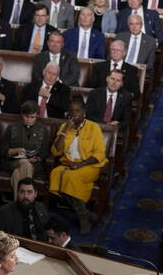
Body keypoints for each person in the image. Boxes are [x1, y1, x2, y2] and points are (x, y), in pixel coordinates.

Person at [49, 98, 108, 235]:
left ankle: (83, 219)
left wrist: (81, 164)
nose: (75, 114)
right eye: (72, 111)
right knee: (56, 174)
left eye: (78, 111)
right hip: (69, 163)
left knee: (70, 177)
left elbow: (100, 153)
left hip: (90, 166)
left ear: (84, 112)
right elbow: (55, 151)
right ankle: (86, 214)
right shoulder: (65, 127)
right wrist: (65, 131)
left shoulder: (94, 128)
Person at [0, 101, 49, 200]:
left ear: (37, 116)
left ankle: (17, 204)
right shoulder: (12, 127)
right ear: (22, 115)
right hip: (13, 162)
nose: (29, 120)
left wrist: (36, 159)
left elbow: (43, 153)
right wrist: (15, 151)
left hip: (34, 164)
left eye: (33, 117)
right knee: (24, 162)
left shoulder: (43, 130)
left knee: (18, 173)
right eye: (27, 117)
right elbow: (2, 150)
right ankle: (28, 202)